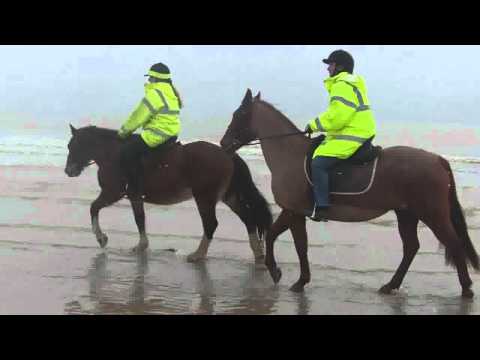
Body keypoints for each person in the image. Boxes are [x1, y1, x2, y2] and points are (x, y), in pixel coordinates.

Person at [304, 50, 376, 221]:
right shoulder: (350, 83)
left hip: (353, 134)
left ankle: (322, 207)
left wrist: (313, 125)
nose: (328, 68)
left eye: (330, 64)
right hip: (357, 130)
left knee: (319, 162)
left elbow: (337, 117)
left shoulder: (342, 84)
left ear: (339, 67)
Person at [118, 62, 182, 200]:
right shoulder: (171, 93)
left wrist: (123, 132)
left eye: (150, 78)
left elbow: (138, 116)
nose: (148, 80)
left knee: (126, 153)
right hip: (171, 135)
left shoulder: (155, 94)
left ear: (155, 78)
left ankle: (135, 189)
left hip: (156, 135)